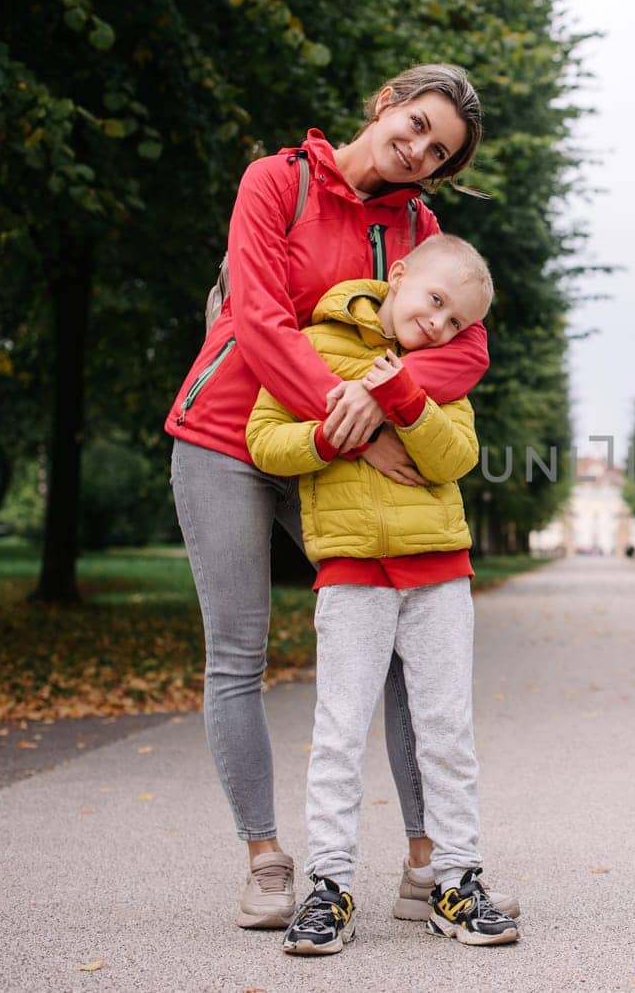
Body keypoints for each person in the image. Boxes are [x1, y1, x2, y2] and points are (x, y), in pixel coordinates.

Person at [166, 64, 497, 930]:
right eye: (418, 125)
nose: (419, 150)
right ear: (385, 101)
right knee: (237, 654)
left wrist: (388, 404)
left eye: (439, 152)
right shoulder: (277, 182)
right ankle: (266, 859)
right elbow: (259, 318)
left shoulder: (420, 226)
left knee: (393, 651)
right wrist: (357, 418)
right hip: (230, 439)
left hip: (340, 457)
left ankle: (428, 863)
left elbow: (465, 351)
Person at [246, 235, 517, 954]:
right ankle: (329, 887)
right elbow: (265, 440)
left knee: (447, 732)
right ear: (396, 276)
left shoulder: (437, 370)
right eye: (433, 302)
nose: (438, 325)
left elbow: (456, 456)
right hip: (352, 572)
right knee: (338, 735)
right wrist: (331, 438)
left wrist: (403, 397)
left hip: (438, 574)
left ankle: (456, 881)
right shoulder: (314, 345)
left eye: (456, 322)